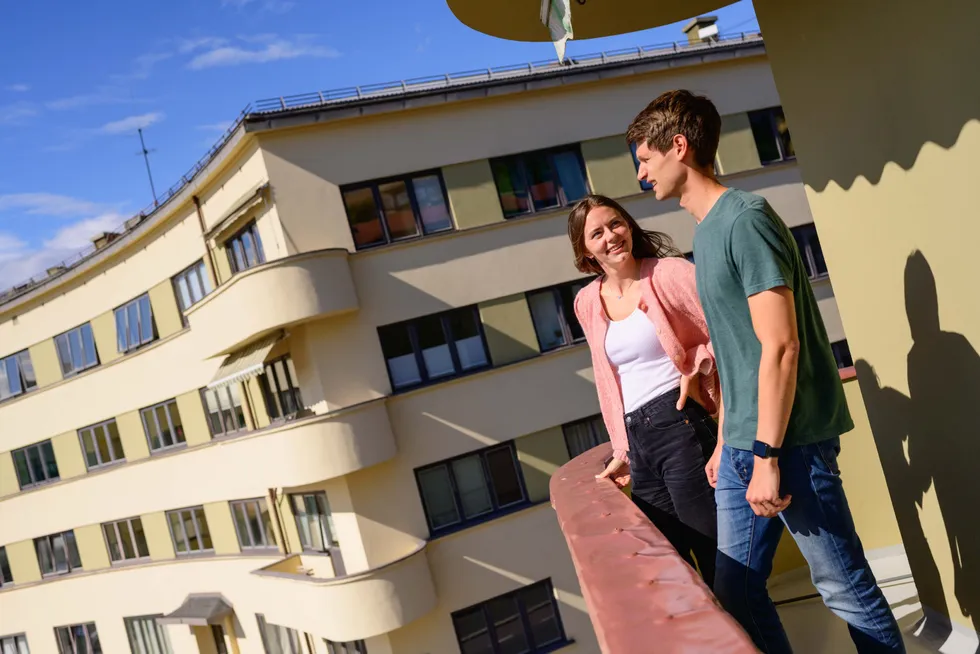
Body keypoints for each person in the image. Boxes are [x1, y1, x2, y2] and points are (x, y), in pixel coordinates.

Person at [626, 89, 905, 653]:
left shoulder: (745, 219)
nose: (641, 175)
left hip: (786, 443)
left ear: (678, 147)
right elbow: (737, 352)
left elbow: (781, 346)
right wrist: (727, 437)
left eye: (645, 159)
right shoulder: (705, 234)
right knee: (737, 590)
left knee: (843, 586)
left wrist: (767, 456)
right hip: (741, 443)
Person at [569, 193, 720, 585]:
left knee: (716, 561)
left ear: (629, 226)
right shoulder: (587, 301)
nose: (611, 237)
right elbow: (608, 380)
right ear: (585, 251)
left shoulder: (668, 273)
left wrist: (698, 366)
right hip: (639, 443)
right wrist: (622, 448)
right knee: (670, 569)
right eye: (597, 233)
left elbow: (725, 326)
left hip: (681, 423)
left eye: (616, 224)